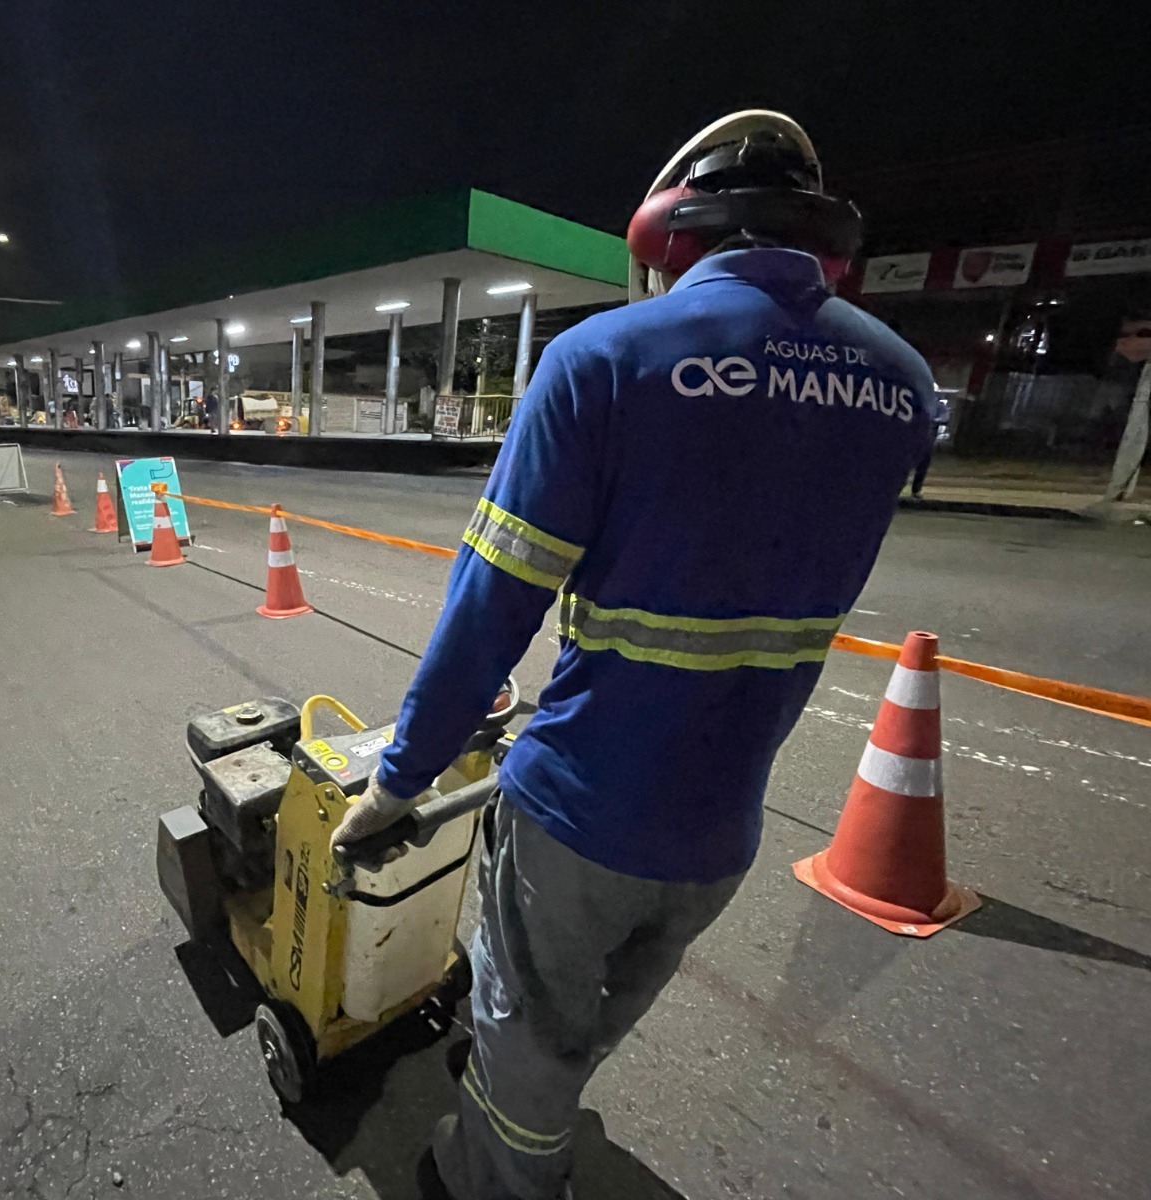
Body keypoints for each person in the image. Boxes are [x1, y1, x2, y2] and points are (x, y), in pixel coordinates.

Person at [330, 111, 935, 1200]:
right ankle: (525, 1108)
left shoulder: (602, 359)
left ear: (670, 231)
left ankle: (491, 1179)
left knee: (531, 1033)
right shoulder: (897, 381)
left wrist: (397, 779)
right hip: (722, 829)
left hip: (581, 810)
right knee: (591, 1018)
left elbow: (490, 605)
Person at [911, 388, 952, 497]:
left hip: (928, 439)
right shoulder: (920, 404)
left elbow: (945, 417)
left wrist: (931, 421)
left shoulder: (938, 406)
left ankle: (916, 490)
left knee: (922, 466)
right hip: (915, 438)